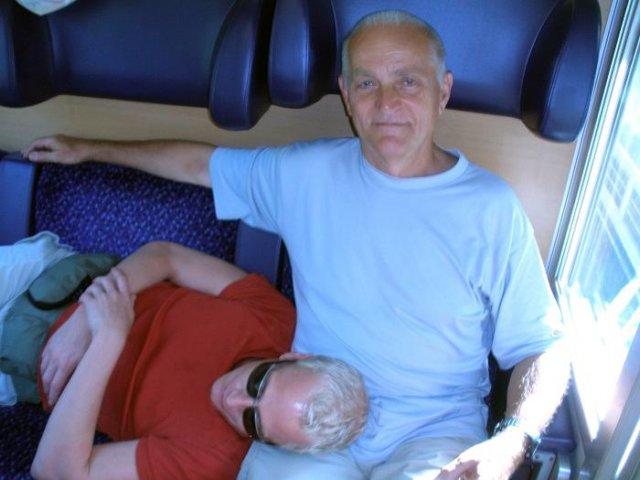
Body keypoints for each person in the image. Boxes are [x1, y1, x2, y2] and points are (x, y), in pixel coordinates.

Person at [23, 10, 570, 480]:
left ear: (443, 90)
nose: (386, 104)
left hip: (432, 431)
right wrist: (87, 147)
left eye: (407, 81)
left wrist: (513, 438)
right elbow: (198, 165)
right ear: (346, 95)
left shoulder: (490, 209)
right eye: (367, 84)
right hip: (305, 421)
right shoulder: (308, 173)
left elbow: (540, 346)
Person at [0, 236, 368, 480]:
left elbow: (54, 469)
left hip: (20, 364)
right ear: (291, 357)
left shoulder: (209, 460)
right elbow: (166, 256)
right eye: (258, 383)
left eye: (253, 421)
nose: (233, 400)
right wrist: (85, 317)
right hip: (55, 279)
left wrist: (108, 338)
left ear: (271, 444)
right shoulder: (274, 319)